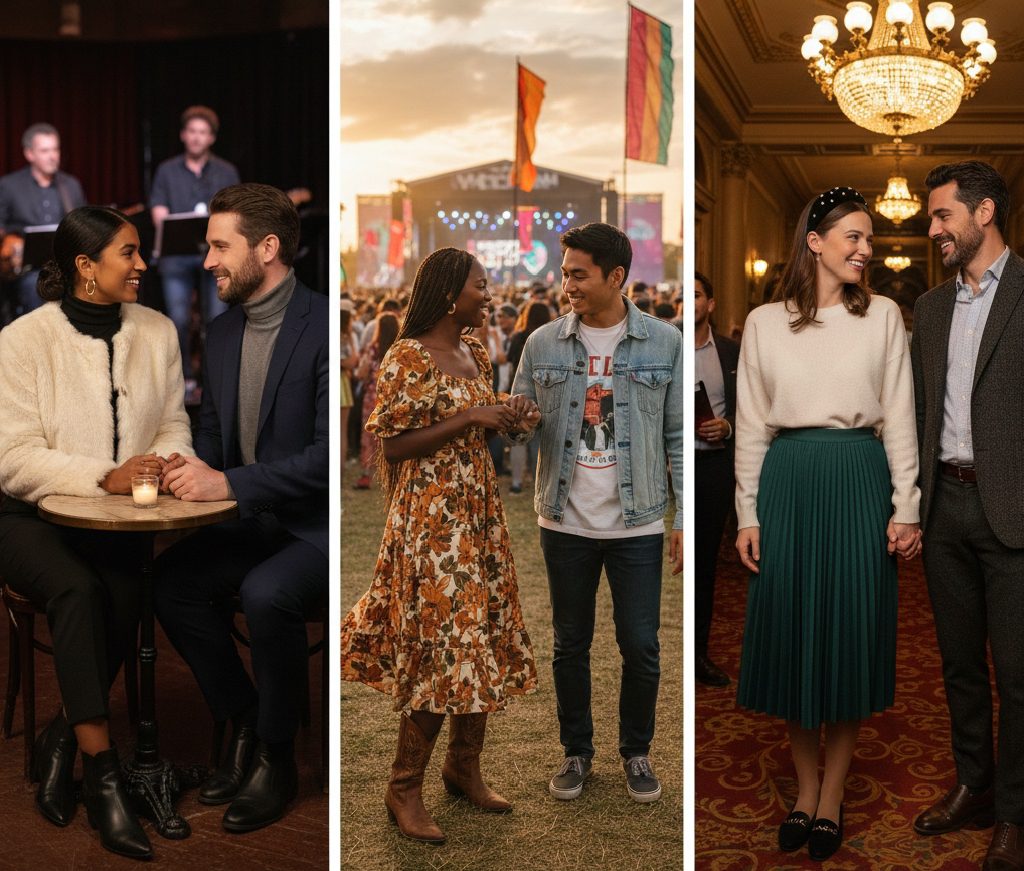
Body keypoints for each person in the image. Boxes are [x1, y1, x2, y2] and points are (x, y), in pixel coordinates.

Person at [733, 187, 922, 862]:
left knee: (847, 636)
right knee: (791, 634)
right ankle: (803, 790)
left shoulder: (885, 318)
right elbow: (751, 423)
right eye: (853, 236)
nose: (866, 249)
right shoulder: (762, 322)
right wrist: (747, 512)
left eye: (870, 239)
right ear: (814, 240)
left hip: (858, 478)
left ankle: (831, 793)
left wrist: (907, 504)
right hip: (788, 481)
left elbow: (900, 415)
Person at [0, 206, 192, 860]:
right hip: (24, 517)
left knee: (133, 595)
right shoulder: (23, 340)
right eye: (129, 253)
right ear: (86, 266)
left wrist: (165, 463)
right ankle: (103, 778)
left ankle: (60, 740)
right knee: (80, 592)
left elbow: (172, 426)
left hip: (117, 521)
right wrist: (105, 474)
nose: (143, 264)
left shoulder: (159, 332)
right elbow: (13, 457)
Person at [340, 247, 539, 845]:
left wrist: (509, 414)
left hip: (475, 514)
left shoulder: (474, 349)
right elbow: (392, 448)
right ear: (452, 294)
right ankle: (404, 786)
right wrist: (473, 416)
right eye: (482, 286)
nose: (490, 295)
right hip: (430, 523)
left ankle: (463, 767)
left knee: (479, 635)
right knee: (439, 645)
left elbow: (477, 420)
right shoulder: (407, 356)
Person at [154, 183, 328, 834]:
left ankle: (277, 758)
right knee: (170, 583)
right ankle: (244, 719)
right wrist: (190, 466)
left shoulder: (324, 324)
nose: (207, 262)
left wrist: (227, 483)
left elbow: (324, 458)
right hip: (252, 521)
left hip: (316, 527)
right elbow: (214, 438)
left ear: (269, 247)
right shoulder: (222, 332)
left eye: (219, 246)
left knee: (265, 593)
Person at [509, 222, 684, 805]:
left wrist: (680, 519)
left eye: (578, 275)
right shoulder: (542, 344)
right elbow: (519, 423)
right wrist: (520, 419)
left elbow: (677, 437)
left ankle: (636, 752)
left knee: (641, 645)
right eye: (564, 275)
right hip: (564, 520)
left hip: (637, 521)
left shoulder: (665, 343)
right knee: (569, 642)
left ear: (615, 277)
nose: (567, 286)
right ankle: (576, 752)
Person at [909, 161, 1024, 871]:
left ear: (984, 213)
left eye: (942, 215)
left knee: (1017, 675)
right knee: (959, 667)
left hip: (1012, 511)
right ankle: (974, 786)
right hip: (943, 506)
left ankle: (1014, 812)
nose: (933, 229)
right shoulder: (927, 308)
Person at [149, 105, 240, 382]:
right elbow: (158, 214)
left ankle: (214, 377)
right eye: (192, 132)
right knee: (178, 318)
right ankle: (184, 377)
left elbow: (237, 215)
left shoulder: (226, 172)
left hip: (217, 258)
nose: (197, 137)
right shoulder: (167, 171)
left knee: (217, 317)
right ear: (183, 135)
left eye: (203, 132)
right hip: (177, 257)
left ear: (211, 137)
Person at [693, 271, 738, 688]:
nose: (690, 304)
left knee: (704, 565)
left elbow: (751, 408)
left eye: (697, 296)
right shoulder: (664, 347)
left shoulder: (731, 352)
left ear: (711, 303)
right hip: (673, 469)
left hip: (714, 468)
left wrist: (727, 427)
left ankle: (698, 655)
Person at [0, 123, 87, 319]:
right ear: (29, 154)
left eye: (55, 149)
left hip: (65, 264)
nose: (52, 155)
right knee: (35, 286)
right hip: (27, 269)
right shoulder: (9, 186)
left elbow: (82, 224)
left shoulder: (70, 185)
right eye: (45, 150)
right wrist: (12, 244)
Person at [507, 300, 552, 493]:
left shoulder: (519, 337)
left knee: (518, 441)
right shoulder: (549, 339)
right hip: (544, 391)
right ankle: (538, 483)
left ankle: (516, 481)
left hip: (518, 390)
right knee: (537, 444)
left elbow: (509, 362)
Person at [353, 311, 400, 489]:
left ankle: (366, 474)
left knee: (369, 436)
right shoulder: (400, 350)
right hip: (394, 398)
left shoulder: (373, 348)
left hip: (373, 397)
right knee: (392, 435)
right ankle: (392, 474)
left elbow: (361, 373)